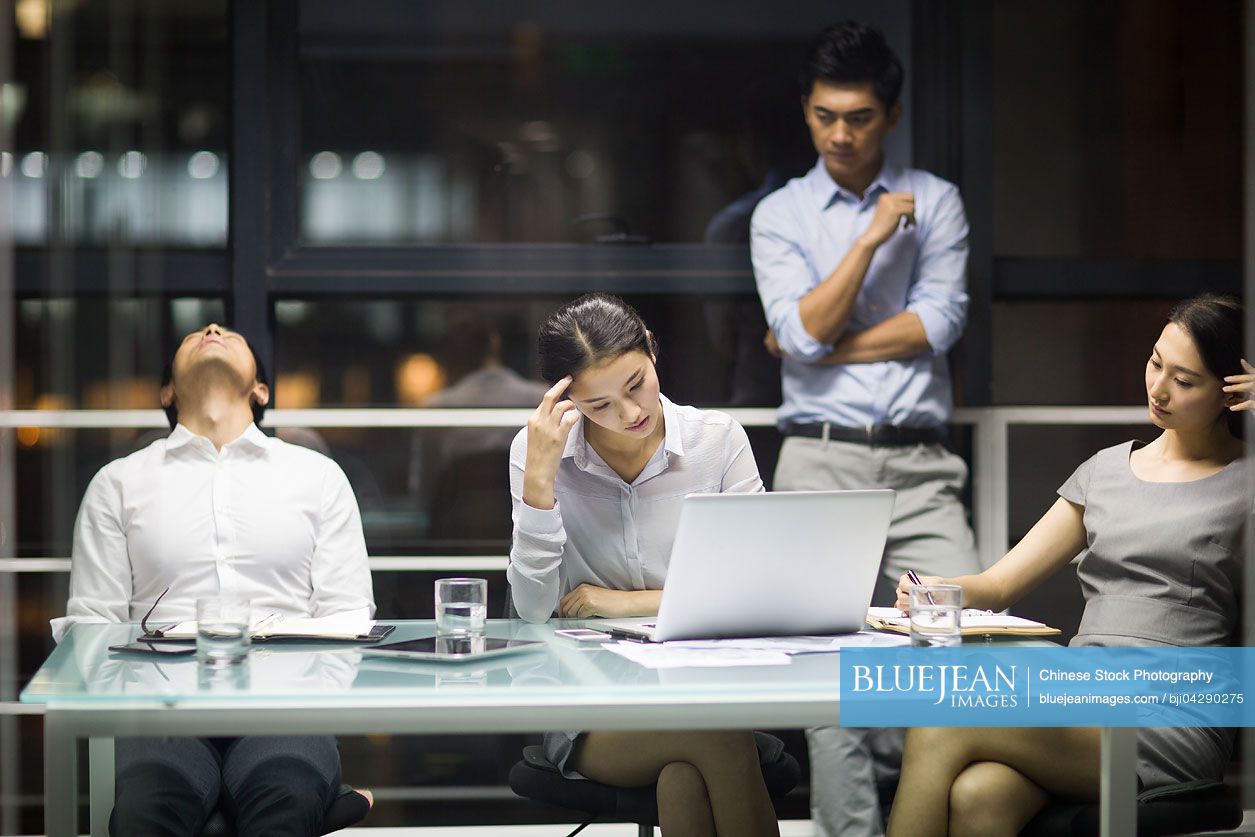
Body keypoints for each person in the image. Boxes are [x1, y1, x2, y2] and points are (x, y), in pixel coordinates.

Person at [886, 294, 1248, 837]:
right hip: (1081, 694)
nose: (1158, 389)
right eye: (1155, 364)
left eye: (1186, 380)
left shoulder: (1246, 483)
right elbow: (998, 583)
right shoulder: (1105, 471)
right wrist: (938, 591)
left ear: (1231, 391)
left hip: (1170, 716)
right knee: (978, 796)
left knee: (943, 719)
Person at [749, 21, 983, 836]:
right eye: (823, 116)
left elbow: (939, 322)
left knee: (960, 652)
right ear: (806, 114)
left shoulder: (940, 198)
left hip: (921, 470)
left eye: (857, 117)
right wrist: (873, 237)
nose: (839, 134)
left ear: (890, 114)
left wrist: (814, 339)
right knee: (827, 674)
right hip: (817, 464)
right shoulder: (780, 214)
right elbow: (801, 337)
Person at [52, 323, 375, 837]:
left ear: (261, 391)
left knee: (287, 797)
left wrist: (308, 705)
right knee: (145, 813)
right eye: (193, 336)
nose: (212, 328)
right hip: (161, 715)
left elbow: (348, 615)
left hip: (286, 710)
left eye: (232, 335)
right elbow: (94, 626)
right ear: (167, 392)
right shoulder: (118, 483)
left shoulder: (317, 477)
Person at [507, 293, 780, 837]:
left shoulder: (718, 441)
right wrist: (539, 485)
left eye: (635, 385)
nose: (629, 413)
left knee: (682, 778)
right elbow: (533, 611)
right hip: (593, 709)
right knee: (717, 735)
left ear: (651, 348)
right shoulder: (540, 453)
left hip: (703, 685)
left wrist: (625, 603)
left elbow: (757, 589)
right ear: (567, 404)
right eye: (599, 406)